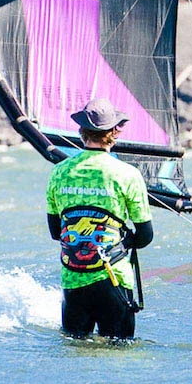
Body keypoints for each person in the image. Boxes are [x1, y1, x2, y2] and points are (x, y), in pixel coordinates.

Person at [46, 98, 153, 340]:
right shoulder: (127, 174)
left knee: (75, 353)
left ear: (81, 131)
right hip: (113, 278)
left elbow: (56, 233)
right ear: (114, 132)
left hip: (73, 280)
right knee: (119, 354)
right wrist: (121, 245)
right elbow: (145, 236)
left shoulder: (59, 172)